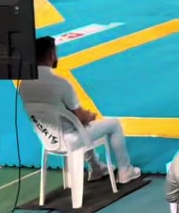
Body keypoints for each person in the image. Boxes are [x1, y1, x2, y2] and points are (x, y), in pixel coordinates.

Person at [19, 37, 141, 186]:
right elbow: (81, 117)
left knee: (79, 126)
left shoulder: (23, 84)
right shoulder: (60, 84)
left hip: (47, 140)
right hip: (70, 139)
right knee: (113, 124)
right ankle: (125, 170)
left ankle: (96, 167)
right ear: (51, 55)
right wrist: (90, 116)